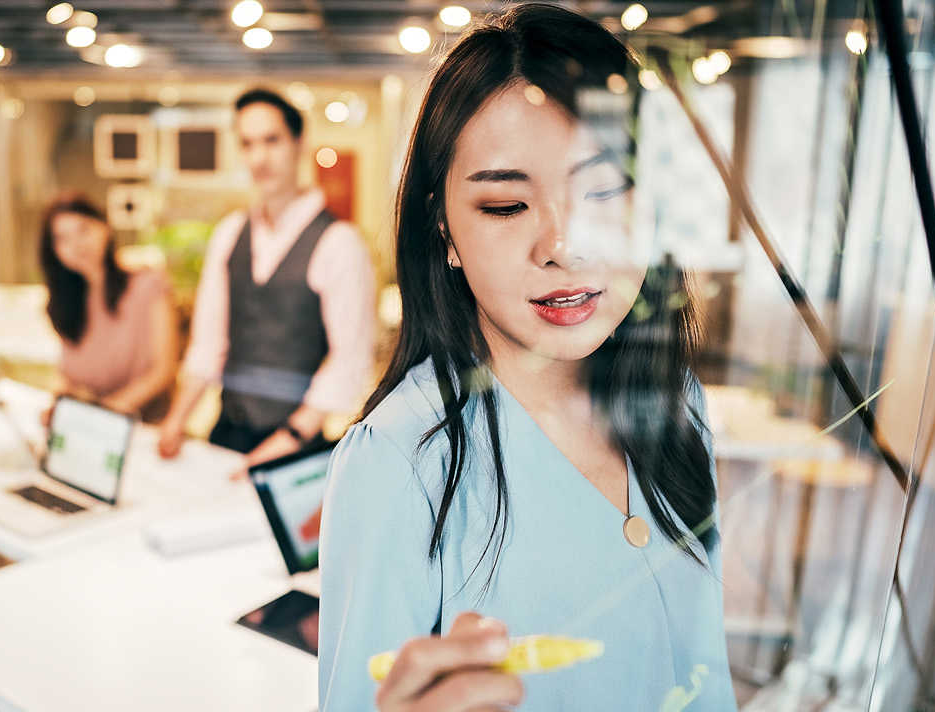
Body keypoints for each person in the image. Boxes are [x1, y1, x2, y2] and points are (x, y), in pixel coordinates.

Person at [316, 5, 732, 711]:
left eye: (604, 190)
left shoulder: (675, 401)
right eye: (507, 206)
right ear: (444, 231)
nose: (563, 245)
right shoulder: (400, 462)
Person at [156, 88, 377, 473]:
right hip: (226, 434)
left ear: (299, 143)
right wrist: (176, 420)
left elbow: (350, 360)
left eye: (271, 141)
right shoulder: (229, 234)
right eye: (247, 144)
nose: (259, 158)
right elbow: (209, 343)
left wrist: (289, 438)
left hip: (296, 446)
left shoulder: (338, 242)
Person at [37, 192, 178, 420]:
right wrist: (60, 400)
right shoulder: (67, 301)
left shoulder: (148, 285)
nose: (76, 244)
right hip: (94, 425)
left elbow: (163, 372)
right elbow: (66, 372)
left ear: (105, 227)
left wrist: (105, 414)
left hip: (146, 427)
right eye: (62, 238)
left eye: (83, 230)